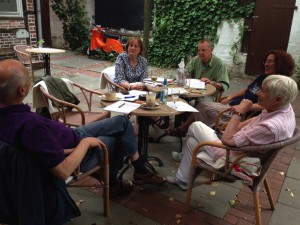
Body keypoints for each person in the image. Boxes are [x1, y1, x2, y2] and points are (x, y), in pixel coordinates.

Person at [0, 60, 166, 198]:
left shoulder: (10, 118)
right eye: (28, 78)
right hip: (76, 150)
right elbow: (63, 171)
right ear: (22, 90)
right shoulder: (31, 126)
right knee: (119, 137)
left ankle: (138, 171)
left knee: (123, 122)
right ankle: (121, 180)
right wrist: (86, 143)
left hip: (72, 136)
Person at [167, 75, 298, 190]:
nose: (258, 93)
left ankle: (184, 162)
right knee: (192, 141)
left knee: (196, 126)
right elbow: (258, 118)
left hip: (233, 157)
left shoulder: (270, 127)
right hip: (246, 149)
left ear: (278, 99)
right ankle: (183, 180)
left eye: (263, 91)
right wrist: (239, 125)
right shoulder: (283, 109)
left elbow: (227, 141)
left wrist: (239, 112)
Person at [166, 50, 295, 142]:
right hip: (233, 105)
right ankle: (189, 132)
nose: (266, 64)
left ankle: (190, 132)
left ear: (280, 64)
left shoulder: (277, 85)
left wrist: (244, 108)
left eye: (271, 62)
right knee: (201, 107)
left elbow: (265, 106)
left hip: (239, 112)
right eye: (266, 61)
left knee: (202, 106)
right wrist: (231, 97)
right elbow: (247, 89)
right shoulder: (263, 77)